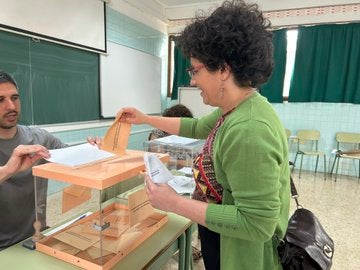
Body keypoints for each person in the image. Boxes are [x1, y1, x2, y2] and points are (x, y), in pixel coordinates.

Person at [118, 1, 290, 269]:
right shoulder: (238, 107)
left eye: (196, 70)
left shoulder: (248, 129)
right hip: (219, 236)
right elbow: (195, 127)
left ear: (223, 69)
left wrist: (173, 203)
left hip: (241, 253)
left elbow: (257, 224)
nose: (193, 80)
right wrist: (144, 118)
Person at [0, 70, 67, 251]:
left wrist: (94, 148)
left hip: (37, 238)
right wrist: (7, 170)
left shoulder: (39, 138)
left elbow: (73, 159)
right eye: (0, 100)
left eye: (14, 98)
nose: (11, 106)